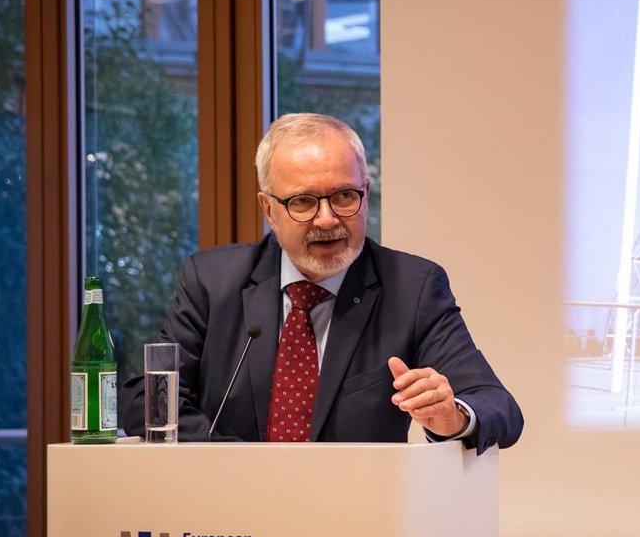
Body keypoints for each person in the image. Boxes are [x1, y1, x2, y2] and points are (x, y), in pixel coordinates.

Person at [119, 113, 522, 454]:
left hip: (354, 512)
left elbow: (499, 408)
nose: (327, 219)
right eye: (303, 202)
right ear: (268, 209)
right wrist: (241, 466)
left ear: (366, 194)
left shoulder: (412, 288)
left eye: (344, 196)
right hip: (226, 512)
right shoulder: (212, 281)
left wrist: (452, 417)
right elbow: (145, 399)